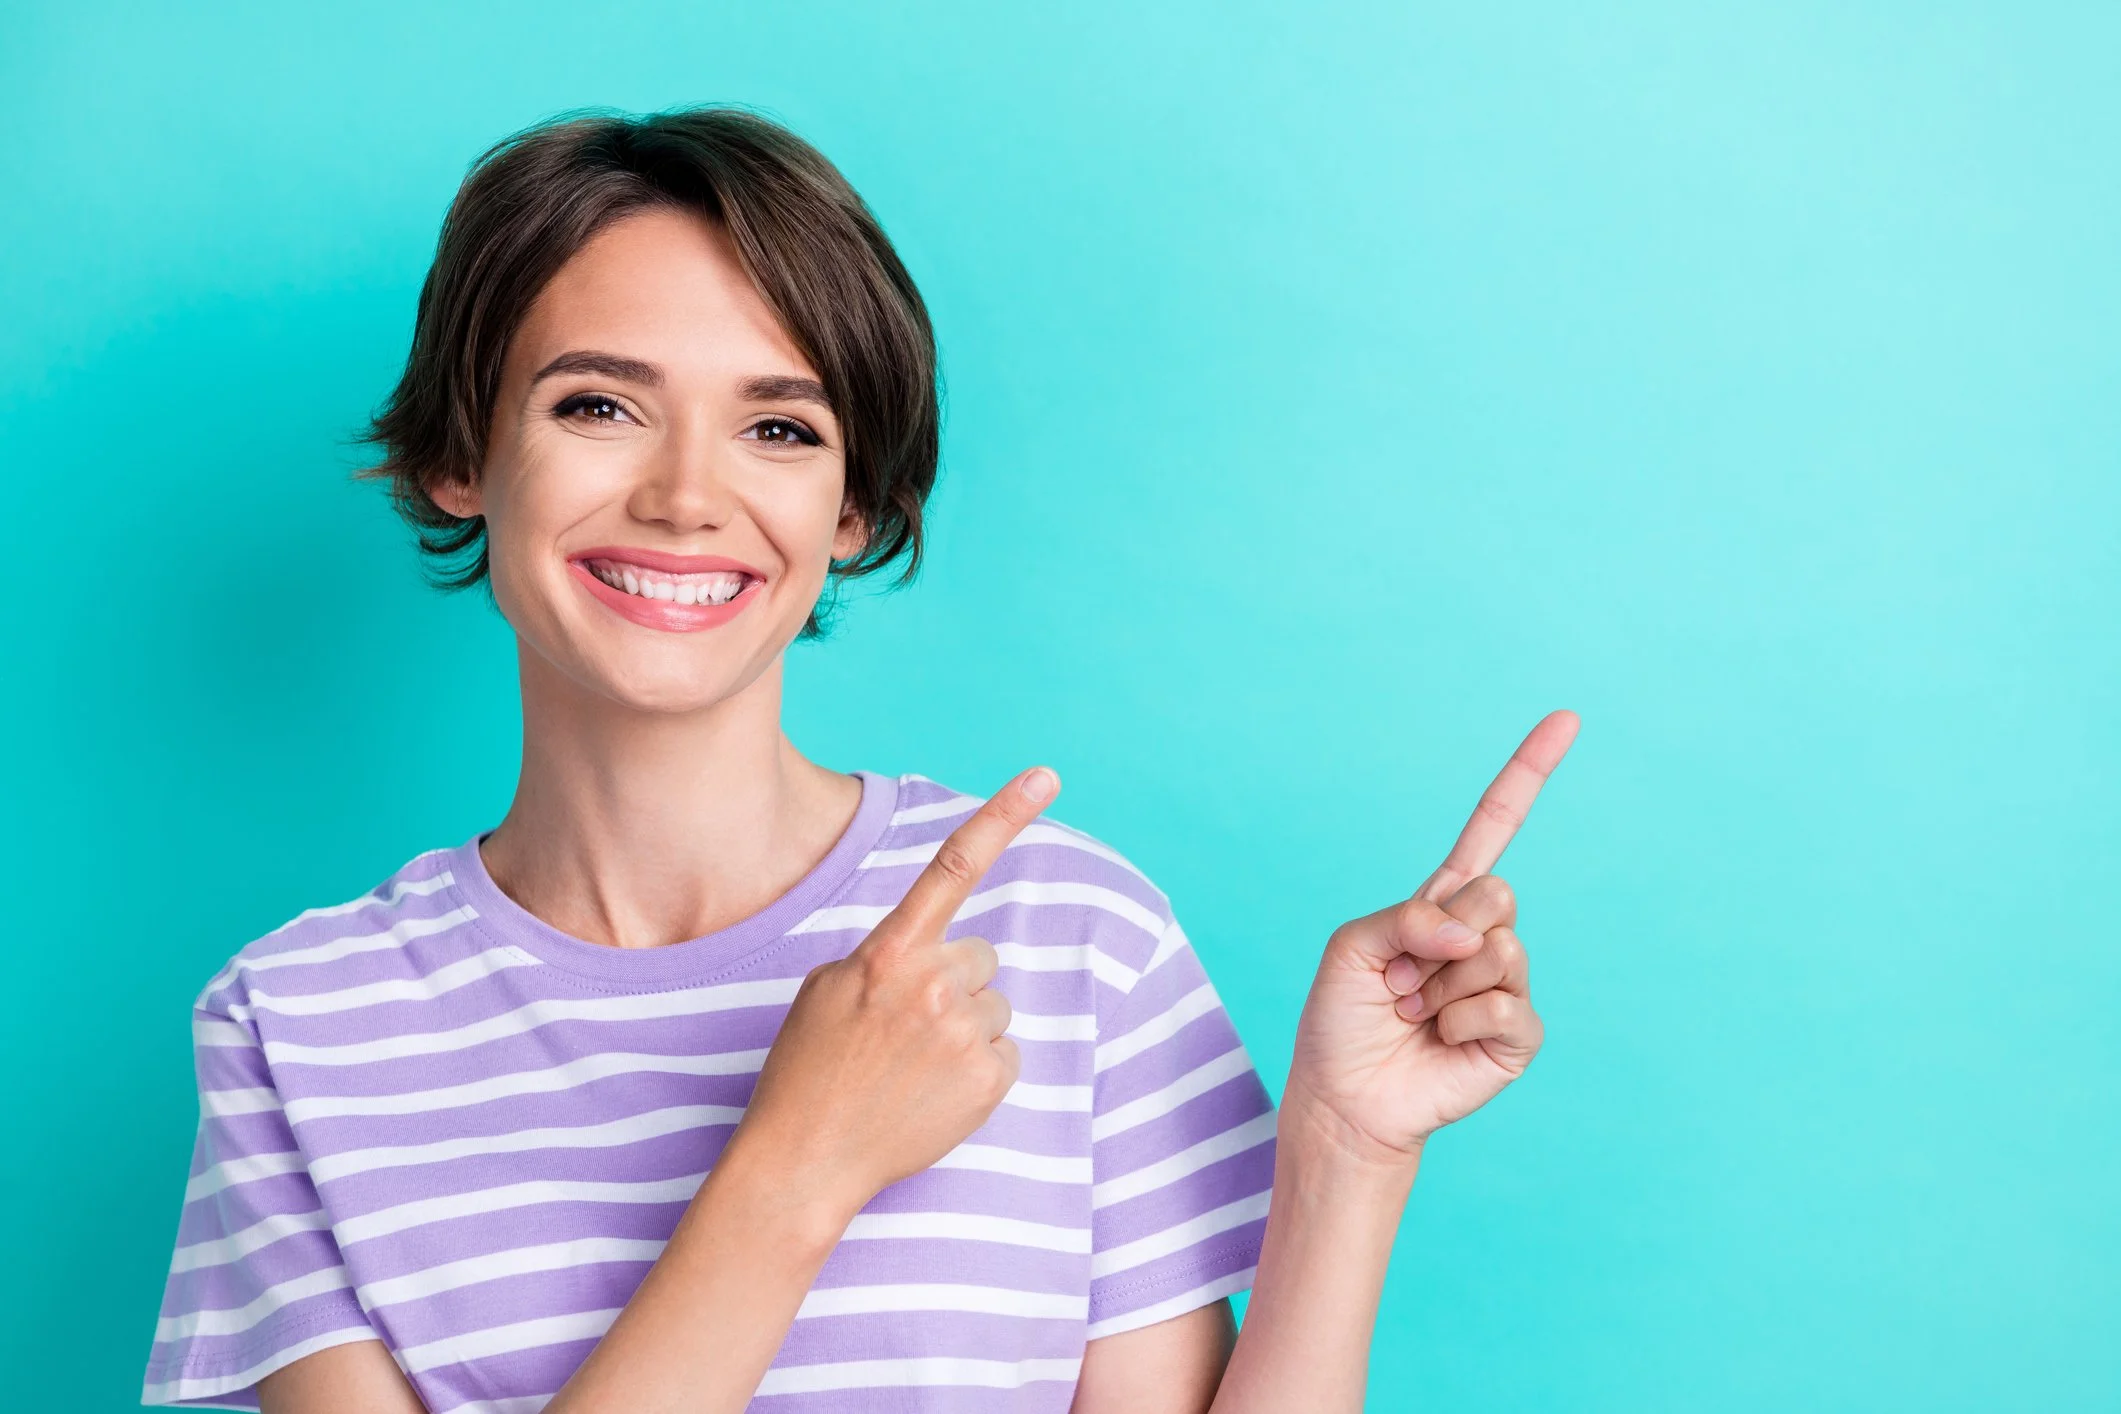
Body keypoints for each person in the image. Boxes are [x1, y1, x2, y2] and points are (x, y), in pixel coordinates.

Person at [142, 105, 1576, 1414]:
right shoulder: (296, 1030)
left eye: (780, 425)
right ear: (462, 455)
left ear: (850, 508)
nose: (687, 494)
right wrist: (796, 1169)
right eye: (597, 404)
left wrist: (1347, 1154)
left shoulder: (1062, 935)